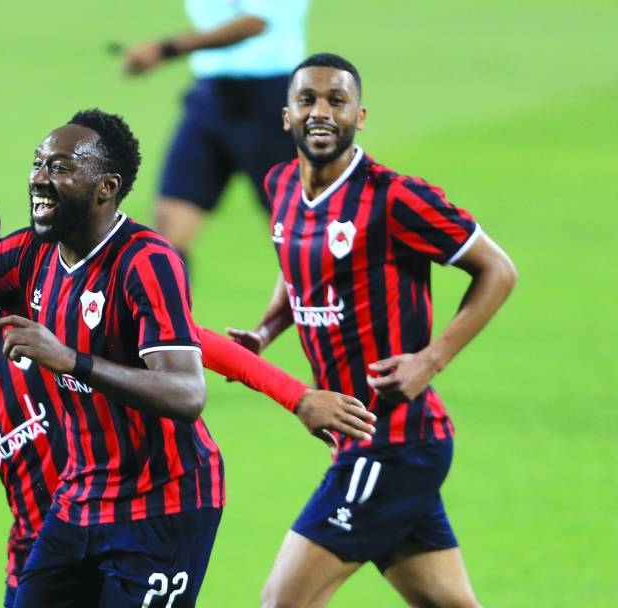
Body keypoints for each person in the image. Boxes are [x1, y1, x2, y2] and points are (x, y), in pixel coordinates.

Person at [0, 109, 374, 607]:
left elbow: (188, 390)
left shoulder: (145, 261)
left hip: (164, 503)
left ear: (105, 187)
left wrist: (70, 361)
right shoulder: (26, 257)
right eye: (37, 164)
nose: (39, 178)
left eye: (58, 168)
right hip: (80, 502)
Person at [0, 193, 376, 607]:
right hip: (42, 545)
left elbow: (194, 342)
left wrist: (296, 396)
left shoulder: (50, 298)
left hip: (129, 517)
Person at [228, 53, 518, 607]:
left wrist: (429, 361)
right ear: (286, 116)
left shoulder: (394, 197)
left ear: (359, 116)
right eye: (307, 99)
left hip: (390, 442)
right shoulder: (281, 184)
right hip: (373, 441)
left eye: (336, 100)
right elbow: (298, 265)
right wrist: (264, 333)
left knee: (280, 603)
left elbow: (498, 270)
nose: (320, 111)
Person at [122, 0, 309, 267]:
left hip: (270, 101)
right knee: (167, 232)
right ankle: (166, 295)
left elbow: (256, 22)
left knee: (302, 229)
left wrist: (165, 49)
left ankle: (332, 291)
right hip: (210, 95)